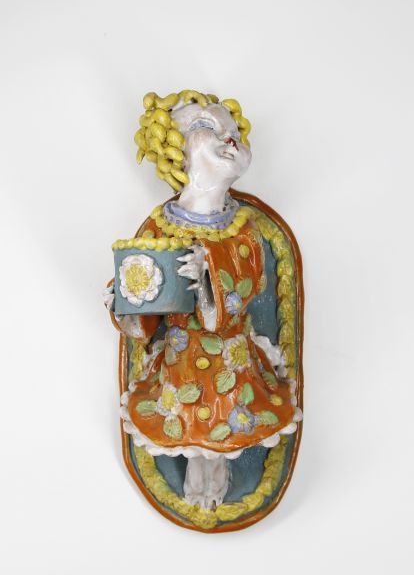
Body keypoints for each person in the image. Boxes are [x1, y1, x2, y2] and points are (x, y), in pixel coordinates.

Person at [104, 90, 301, 511]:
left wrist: (210, 269)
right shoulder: (160, 228)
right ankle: (200, 473)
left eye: (235, 134)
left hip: (231, 354)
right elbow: (147, 307)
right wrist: (126, 303)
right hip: (180, 357)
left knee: (226, 419)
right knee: (189, 425)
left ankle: (217, 472)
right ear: (175, 151)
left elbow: (249, 279)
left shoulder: (244, 227)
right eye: (207, 127)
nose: (229, 139)